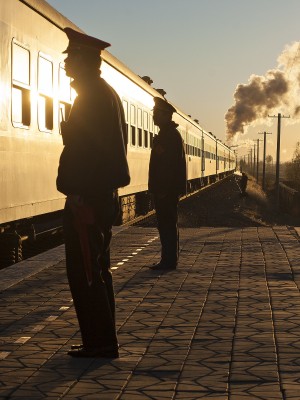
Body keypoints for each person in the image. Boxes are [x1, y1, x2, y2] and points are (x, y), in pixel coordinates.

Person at [56, 28, 130, 358]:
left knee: (86, 271)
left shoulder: (92, 98)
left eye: (71, 57)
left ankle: (99, 343)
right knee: (96, 269)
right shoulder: (102, 94)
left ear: (85, 60)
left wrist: (79, 193)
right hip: (99, 194)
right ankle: (100, 340)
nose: (67, 62)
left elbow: (89, 153)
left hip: (88, 197)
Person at [148, 97, 186, 270]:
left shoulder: (168, 136)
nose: (153, 116)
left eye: (156, 113)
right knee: (167, 225)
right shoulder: (169, 134)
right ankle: (168, 259)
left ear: (165, 115)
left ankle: (169, 260)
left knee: (167, 225)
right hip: (166, 189)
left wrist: (161, 189)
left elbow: (167, 165)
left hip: (166, 190)